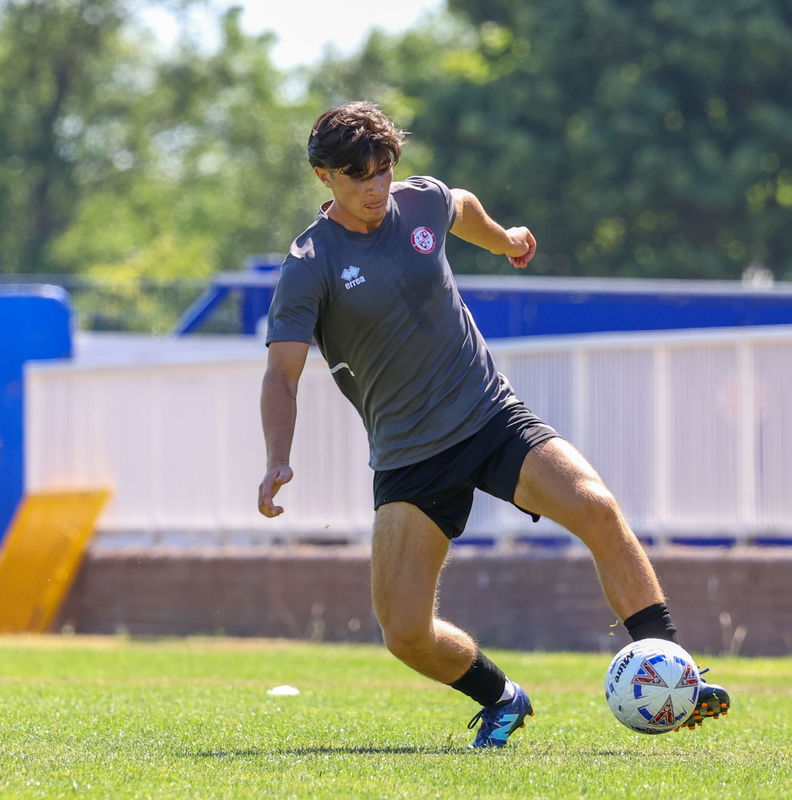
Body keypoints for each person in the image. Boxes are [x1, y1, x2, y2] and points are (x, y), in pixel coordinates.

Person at [257, 101, 730, 748]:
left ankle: (675, 674)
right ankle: (502, 697)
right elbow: (281, 376)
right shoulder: (310, 262)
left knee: (596, 508)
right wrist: (277, 458)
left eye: (383, 169)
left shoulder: (419, 202)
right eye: (357, 175)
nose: (375, 187)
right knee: (404, 633)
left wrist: (505, 240)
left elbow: (460, 205)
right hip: (409, 458)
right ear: (323, 176)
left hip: (488, 416)